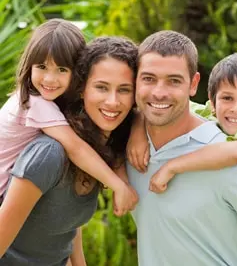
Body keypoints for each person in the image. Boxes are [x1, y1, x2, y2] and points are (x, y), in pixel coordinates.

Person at [126, 30, 237, 265]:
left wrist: (173, 166)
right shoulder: (131, 143)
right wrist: (136, 130)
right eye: (148, 78)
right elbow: (152, 107)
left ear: (193, 84)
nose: (159, 92)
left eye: (174, 80)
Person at [0, 35, 139, 265]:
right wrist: (119, 185)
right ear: (81, 88)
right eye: (101, 87)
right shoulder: (50, 153)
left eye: (124, 90)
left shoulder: (97, 151)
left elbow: (69, 229)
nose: (113, 101)